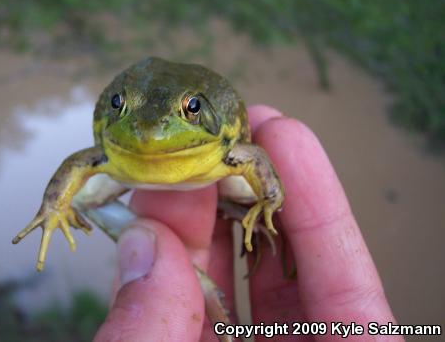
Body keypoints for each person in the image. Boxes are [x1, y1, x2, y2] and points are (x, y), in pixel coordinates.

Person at [93, 105, 402, 342]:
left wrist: (269, 201)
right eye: (121, 105)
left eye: (191, 109)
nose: (151, 132)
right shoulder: (114, 147)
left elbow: (254, 157)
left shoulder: (227, 150)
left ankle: (241, 212)